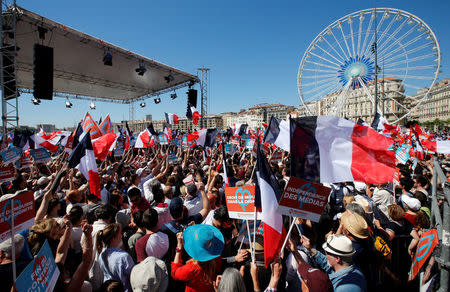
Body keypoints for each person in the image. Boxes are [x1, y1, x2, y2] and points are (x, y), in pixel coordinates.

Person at [171, 224, 224, 292]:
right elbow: (205, 240)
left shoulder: (192, 268)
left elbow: (175, 273)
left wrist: (179, 247)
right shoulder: (216, 256)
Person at [97, 223, 135, 292]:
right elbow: (132, 278)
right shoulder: (124, 257)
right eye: (120, 233)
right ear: (114, 238)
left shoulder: (102, 254)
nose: (122, 234)